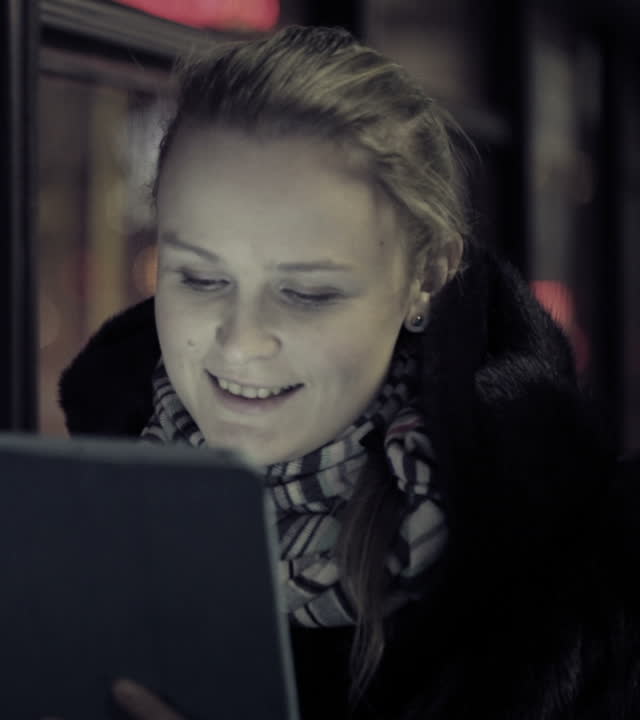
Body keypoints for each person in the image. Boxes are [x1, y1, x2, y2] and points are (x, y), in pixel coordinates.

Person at [59, 26, 640, 719]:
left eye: (307, 292)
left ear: (427, 277)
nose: (241, 343)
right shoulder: (78, 520)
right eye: (201, 278)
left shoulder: (581, 586)